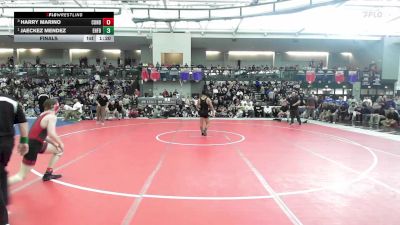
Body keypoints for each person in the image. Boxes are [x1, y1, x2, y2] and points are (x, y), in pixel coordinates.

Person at [8, 99, 65, 186]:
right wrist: (60, 143)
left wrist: (55, 144)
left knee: (58, 150)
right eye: (58, 105)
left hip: (36, 143)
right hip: (33, 146)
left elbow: (42, 135)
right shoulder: (51, 116)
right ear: (54, 106)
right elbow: (51, 133)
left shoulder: (42, 114)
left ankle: (48, 174)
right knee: (21, 176)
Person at [0, 93, 29, 225]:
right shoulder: (12, 102)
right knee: (1, 172)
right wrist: (24, 141)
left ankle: (3, 219)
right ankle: (4, 202)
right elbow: (23, 122)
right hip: (6, 144)